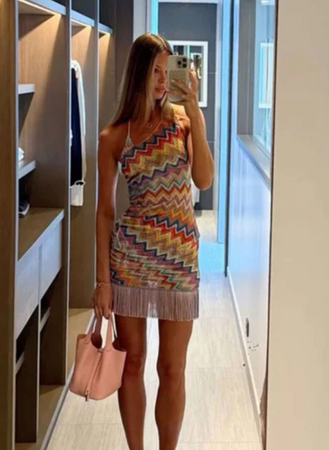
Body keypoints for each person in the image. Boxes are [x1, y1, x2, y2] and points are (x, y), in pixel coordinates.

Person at [92, 33, 214, 450]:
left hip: (180, 260)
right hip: (131, 261)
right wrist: (102, 281)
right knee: (132, 363)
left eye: (167, 71)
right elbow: (105, 213)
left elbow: (203, 180)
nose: (163, 81)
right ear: (138, 74)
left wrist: (195, 112)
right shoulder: (114, 136)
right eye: (155, 72)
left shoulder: (183, 121)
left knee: (172, 369)